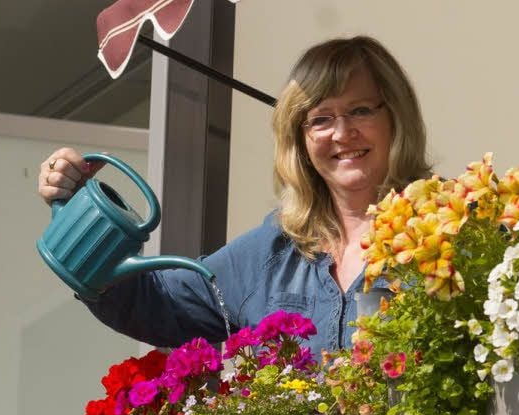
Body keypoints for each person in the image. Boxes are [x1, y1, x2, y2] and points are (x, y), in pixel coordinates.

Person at [36, 36, 432, 355]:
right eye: (321, 119)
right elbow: (156, 303)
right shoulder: (275, 251)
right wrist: (78, 218)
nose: (342, 133)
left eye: (360, 110)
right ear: (300, 139)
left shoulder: (446, 231)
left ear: (395, 116)